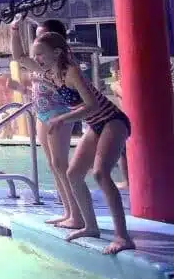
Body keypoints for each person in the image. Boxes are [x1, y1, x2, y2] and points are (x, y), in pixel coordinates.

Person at [33, 31, 135, 254]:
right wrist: (13, 30)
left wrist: (61, 118)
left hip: (112, 121)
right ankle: (90, 226)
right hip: (96, 125)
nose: (37, 58)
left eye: (40, 54)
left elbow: (93, 106)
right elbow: (21, 58)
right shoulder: (52, 75)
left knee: (100, 174)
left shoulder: (71, 72)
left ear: (57, 52)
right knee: (73, 174)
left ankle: (122, 237)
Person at [10, 19, 79, 227]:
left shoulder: (65, 64)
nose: (36, 42)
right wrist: (14, 29)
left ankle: (76, 214)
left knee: (61, 164)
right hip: (42, 113)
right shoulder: (42, 62)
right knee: (53, 164)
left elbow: (74, 92)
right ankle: (68, 212)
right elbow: (19, 57)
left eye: (41, 37)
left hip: (59, 114)